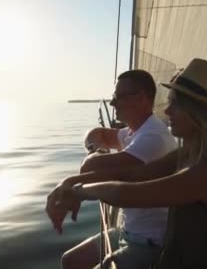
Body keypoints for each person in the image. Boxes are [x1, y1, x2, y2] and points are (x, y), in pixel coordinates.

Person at [49, 58, 207, 269]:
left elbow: (130, 194)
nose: (167, 112)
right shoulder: (187, 154)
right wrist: (69, 183)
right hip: (174, 257)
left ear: (197, 111)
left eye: (175, 104)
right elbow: (133, 175)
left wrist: (80, 192)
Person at [47, 69, 177, 269]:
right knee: (70, 261)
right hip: (127, 231)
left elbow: (89, 167)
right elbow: (96, 135)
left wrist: (88, 163)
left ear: (141, 98)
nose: (112, 103)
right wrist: (93, 148)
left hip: (148, 242)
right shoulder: (136, 131)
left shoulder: (153, 138)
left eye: (118, 97)